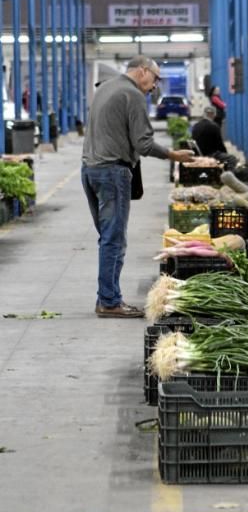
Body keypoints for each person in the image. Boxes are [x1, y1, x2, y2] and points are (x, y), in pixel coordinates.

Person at [82, 55, 194, 318]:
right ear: (143, 71)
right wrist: (174, 155)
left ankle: (106, 296)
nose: (155, 85)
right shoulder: (132, 95)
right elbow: (144, 144)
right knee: (114, 240)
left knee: (107, 238)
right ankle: (109, 302)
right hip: (112, 172)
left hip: (90, 170)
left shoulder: (106, 87)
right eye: (155, 78)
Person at [191, 106, 238, 170]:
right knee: (232, 159)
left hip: (199, 154)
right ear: (214, 115)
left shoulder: (196, 126)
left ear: (204, 114)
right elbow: (220, 145)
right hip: (210, 154)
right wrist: (225, 153)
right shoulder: (214, 126)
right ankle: (227, 177)